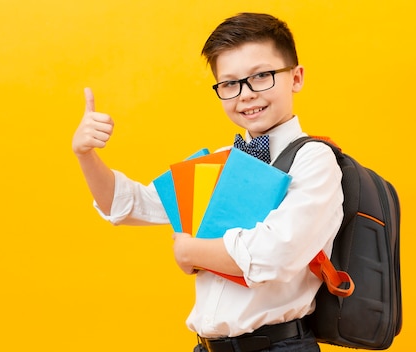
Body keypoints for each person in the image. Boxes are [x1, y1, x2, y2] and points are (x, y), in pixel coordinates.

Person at [71, 12, 344, 352]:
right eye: (230, 83)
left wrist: (190, 251)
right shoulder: (220, 160)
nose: (245, 94)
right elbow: (129, 205)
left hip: (278, 346)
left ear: (296, 77)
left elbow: (276, 254)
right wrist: (86, 155)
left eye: (261, 76)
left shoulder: (314, 159)